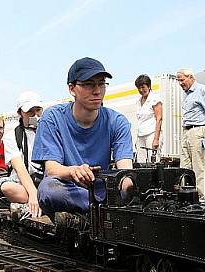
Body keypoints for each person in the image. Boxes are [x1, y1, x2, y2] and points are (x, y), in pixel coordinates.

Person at [32, 57, 133, 217]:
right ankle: (103, 209)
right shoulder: (52, 118)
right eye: (88, 84)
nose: (97, 90)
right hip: (67, 188)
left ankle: (98, 208)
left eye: (101, 83)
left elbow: (125, 169)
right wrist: (74, 171)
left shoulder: (117, 122)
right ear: (72, 89)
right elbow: (52, 169)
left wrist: (129, 187)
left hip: (101, 189)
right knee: (48, 190)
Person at [176, 68, 205, 199]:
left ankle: (203, 197)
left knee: (199, 166)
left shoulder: (202, 90)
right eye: (178, 81)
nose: (180, 83)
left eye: (182, 80)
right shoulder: (186, 94)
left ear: (190, 77)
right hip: (186, 130)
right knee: (185, 166)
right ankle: (187, 196)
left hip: (198, 130)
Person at [2, 91, 45, 184]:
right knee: (8, 187)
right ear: (20, 113)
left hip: (46, 180)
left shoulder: (49, 131)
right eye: (29, 111)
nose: (34, 115)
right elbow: (19, 168)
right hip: (21, 182)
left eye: (38, 110)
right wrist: (33, 193)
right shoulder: (11, 136)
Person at [133, 74, 163, 164]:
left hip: (152, 134)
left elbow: (159, 119)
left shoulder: (155, 98)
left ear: (149, 86)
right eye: (139, 88)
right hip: (141, 135)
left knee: (153, 161)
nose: (141, 90)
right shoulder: (139, 101)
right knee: (140, 162)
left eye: (143, 87)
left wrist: (156, 139)